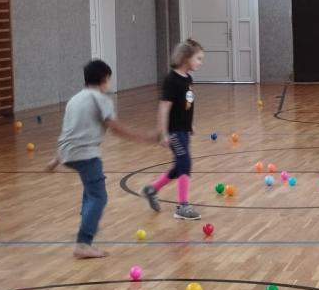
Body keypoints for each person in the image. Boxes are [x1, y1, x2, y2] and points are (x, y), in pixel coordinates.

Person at [47, 60, 160, 259]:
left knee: (90, 190)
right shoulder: (101, 99)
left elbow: (70, 133)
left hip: (67, 154)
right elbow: (115, 128)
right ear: (104, 79)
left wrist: (56, 160)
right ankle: (83, 243)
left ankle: (87, 222)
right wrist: (145, 137)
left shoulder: (74, 100)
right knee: (99, 196)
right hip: (86, 154)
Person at [140, 39, 205, 221]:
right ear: (186, 58)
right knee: (185, 162)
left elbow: (186, 104)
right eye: (198, 59)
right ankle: (183, 206)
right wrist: (163, 133)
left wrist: (190, 123)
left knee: (179, 166)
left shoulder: (188, 79)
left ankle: (151, 189)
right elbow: (164, 108)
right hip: (174, 131)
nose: (200, 63)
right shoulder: (171, 80)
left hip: (183, 130)